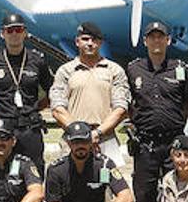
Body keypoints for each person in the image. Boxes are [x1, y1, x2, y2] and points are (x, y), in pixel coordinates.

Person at [125, 19, 188, 202]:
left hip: (173, 144)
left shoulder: (181, 69)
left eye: (160, 37)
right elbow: (128, 103)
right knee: (144, 198)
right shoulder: (133, 69)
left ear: (168, 40)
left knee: (178, 196)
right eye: (152, 37)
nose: (156, 41)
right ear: (145, 41)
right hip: (145, 144)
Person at [0, 12, 54, 170]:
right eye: (10, 30)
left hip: (30, 128)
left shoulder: (37, 60)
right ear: (2, 34)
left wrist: (36, 108)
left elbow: (51, 92)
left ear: (25, 32)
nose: (14, 34)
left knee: (34, 170)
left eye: (18, 29)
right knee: (1, 170)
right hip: (3, 127)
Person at [48, 22, 129, 160]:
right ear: (77, 42)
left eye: (94, 40)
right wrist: (79, 133)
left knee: (109, 174)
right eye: (85, 39)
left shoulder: (115, 70)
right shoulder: (65, 71)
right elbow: (57, 108)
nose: (90, 43)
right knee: (68, 174)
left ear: (101, 43)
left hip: (105, 138)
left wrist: (97, 133)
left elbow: (121, 109)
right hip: (72, 138)